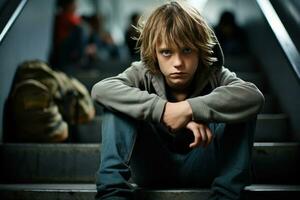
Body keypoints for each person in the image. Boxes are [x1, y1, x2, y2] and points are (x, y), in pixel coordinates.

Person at [91, 1, 264, 200]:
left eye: (187, 51)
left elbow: (253, 96)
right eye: (166, 52)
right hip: (152, 168)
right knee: (117, 102)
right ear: (155, 53)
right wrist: (163, 110)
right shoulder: (142, 73)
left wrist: (189, 109)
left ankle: (227, 196)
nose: (178, 63)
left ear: (200, 50)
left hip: (205, 166)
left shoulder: (214, 74)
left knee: (241, 103)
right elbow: (101, 90)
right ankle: (112, 195)